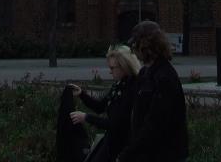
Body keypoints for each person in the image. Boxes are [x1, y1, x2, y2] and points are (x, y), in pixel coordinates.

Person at [120, 21, 187, 162]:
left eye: (135, 45)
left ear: (146, 45)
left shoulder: (164, 77)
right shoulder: (145, 73)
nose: (133, 50)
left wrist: (129, 153)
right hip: (146, 153)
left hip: (164, 154)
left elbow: (155, 123)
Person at [67, 44, 140, 162]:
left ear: (124, 66)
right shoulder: (119, 85)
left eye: (112, 68)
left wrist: (86, 117)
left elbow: (116, 123)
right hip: (113, 140)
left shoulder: (131, 88)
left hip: (123, 145)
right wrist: (82, 94)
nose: (110, 72)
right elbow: (101, 107)